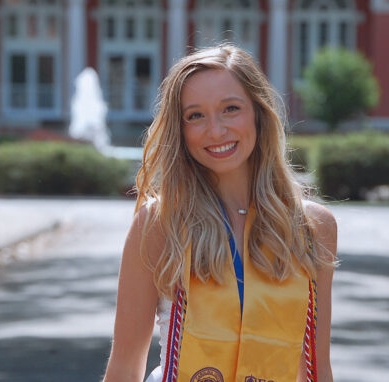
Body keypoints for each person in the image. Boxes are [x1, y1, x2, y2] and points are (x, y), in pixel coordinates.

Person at [102, 44, 337, 382]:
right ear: (179, 129)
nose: (215, 130)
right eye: (195, 115)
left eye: (230, 109)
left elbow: (316, 369)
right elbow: (125, 367)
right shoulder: (161, 223)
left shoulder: (312, 228)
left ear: (258, 112)